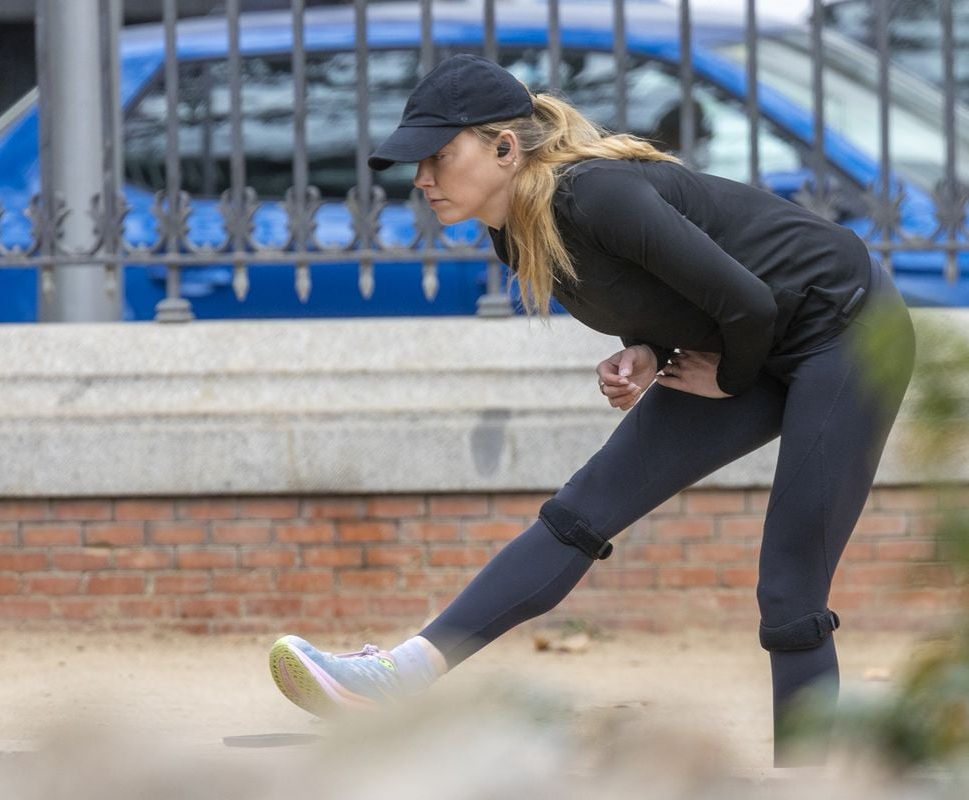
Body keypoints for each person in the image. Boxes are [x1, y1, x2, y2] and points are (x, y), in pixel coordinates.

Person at [268, 53, 916, 766]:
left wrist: (729, 380)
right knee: (581, 510)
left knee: (790, 582)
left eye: (438, 155)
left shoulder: (594, 194)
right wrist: (645, 349)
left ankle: (812, 779)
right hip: (752, 342)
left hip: (846, 332)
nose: (421, 178)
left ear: (504, 148)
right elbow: (669, 291)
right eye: (416, 162)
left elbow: (748, 301)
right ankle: (403, 674)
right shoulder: (514, 232)